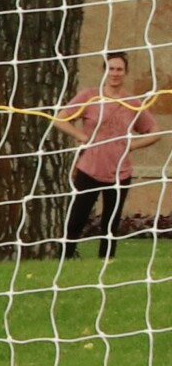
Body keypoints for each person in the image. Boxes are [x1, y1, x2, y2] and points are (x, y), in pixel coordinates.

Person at [54, 50, 162, 260]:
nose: (115, 73)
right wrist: (81, 136)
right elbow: (59, 119)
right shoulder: (89, 96)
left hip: (120, 172)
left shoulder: (132, 101)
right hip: (89, 169)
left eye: (119, 69)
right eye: (111, 69)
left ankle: (106, 265)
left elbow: (155, 132)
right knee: (76, 219)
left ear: (125, 73)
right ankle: (63, 261)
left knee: (110, 224)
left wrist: (132, 145)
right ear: (104, 71)